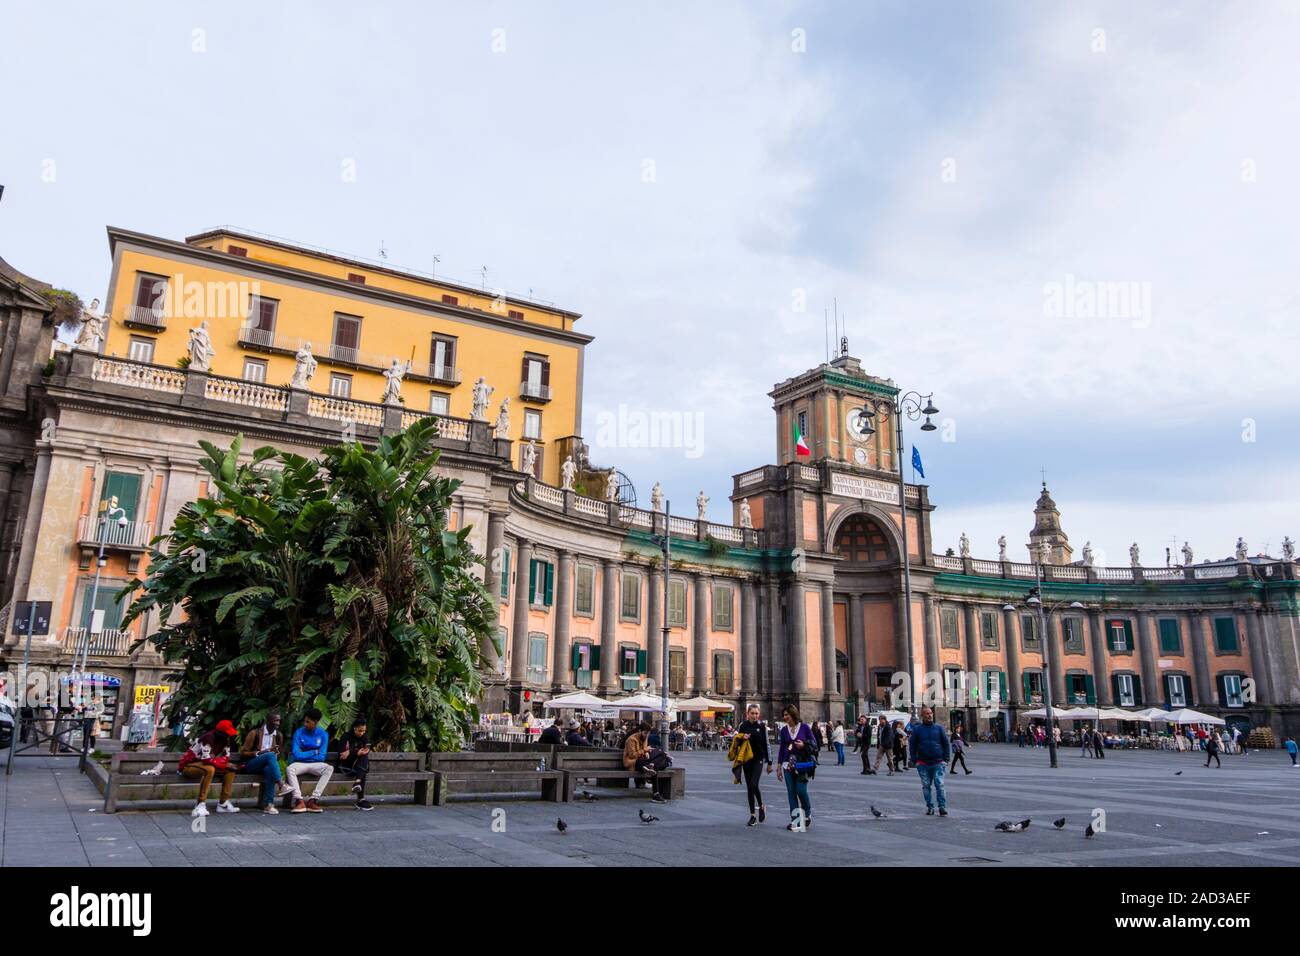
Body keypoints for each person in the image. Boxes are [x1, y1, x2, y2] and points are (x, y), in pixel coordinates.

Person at [179, 719, 241, 817]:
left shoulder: (225, 740)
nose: (229, 736)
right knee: (209, 769)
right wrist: (223, 763)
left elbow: (225, 758)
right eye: (227, 733)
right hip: (189, 766)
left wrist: (226, 765)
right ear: (220, 732)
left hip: (206, 764)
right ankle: (200, 804)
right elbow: (206, 759)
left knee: (230, 771)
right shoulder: (208, 737)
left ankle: (223, 804)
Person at [238, 711, 293, 814]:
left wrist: (276, 753)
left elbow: (279, 754)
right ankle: (281, 784)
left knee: (269, 770)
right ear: (268, 721)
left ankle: (269, 805)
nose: (278, 723)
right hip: (251, 765)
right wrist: (260, 753)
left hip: (267, 766)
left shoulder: (278, 736)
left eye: (279, 721)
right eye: (275, 720)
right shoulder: (255, 733)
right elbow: (243, 753)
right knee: (269, 755)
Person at [776, 705, 816, 831]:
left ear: (793, 714)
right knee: (791, 793)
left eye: (787, 714)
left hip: (802, 765)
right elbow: (782, 749)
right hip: (787, 765)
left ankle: (807, 813)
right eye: (784, 715)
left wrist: (803, 745)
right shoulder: (783, 730)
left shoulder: (804, 728)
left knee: (801, 790)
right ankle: (796, 821)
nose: (785, 717)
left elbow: (814, 743)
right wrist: (778, 767)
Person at [287, 708, 334, 813]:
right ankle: (299, 801)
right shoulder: (299, 733)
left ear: (316, 722)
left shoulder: (323, 735)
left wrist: (305, 754)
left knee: (329, 768)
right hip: (299, 764)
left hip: (316, 764)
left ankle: (313, 800)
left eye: (308, 722)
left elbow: (321, 757)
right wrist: (314, 752)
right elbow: (296, 754)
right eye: (305, 721)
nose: (305, 724)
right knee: (290, 769)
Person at [908, 706, 951, 816]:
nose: (930, 715)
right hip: (922, 763)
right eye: (927, 714)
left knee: (940, 784)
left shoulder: (939, 728)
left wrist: (946, 759)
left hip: (938, 762)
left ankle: (942, 807)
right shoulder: (918, 729)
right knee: (926, 786)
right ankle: (930, 807)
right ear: (922, 716)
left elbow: (946, 743)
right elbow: (912, 744)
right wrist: (914, 760)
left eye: (931, 713)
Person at [735, 703, 772, 826]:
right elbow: (737, 741)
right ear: (747, 714)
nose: (755, 716)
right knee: (749, 788)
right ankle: (752, 815)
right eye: (752, 713)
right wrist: (742, 737)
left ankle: (761, 805)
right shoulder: (743, 725)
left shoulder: (762, 727)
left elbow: (767, 744)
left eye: (756, 713)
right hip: (746, 759)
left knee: (753, 784)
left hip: (758, 759)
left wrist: (770, 762)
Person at [334, 716, 373, 810]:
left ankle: (357, 783)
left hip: (357, 767)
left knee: (363, 758)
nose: (362, 733)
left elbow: (365, 750)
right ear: (354, 728)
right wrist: (356, 752)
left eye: (364, 731)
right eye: (360, 730)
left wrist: (351, 752)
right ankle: (361, 799)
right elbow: (342, 754)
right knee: (362, 768)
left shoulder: (365, 737)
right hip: (344, 766)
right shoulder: (345, 736)